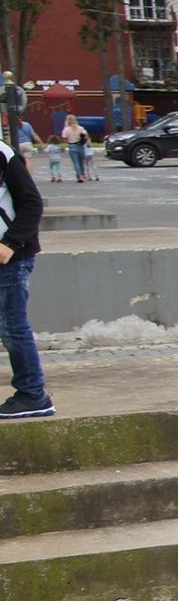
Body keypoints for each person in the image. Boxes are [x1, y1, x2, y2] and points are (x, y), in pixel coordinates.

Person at [1, 128, 53, 419]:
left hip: (11, 257)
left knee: (12, 327)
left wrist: (9, 243)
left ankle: (33, 394)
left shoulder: (3, 154)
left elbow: (32, 203)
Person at [61, 115, 87, 183]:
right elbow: (85, 135)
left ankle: (79, 176)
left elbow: (64, 138)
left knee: (76, 162)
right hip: (80, 145)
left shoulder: (66, 129)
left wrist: (69, 140)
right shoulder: (80, 128)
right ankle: (83, 174)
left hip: (72, 145)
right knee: (81, 162)